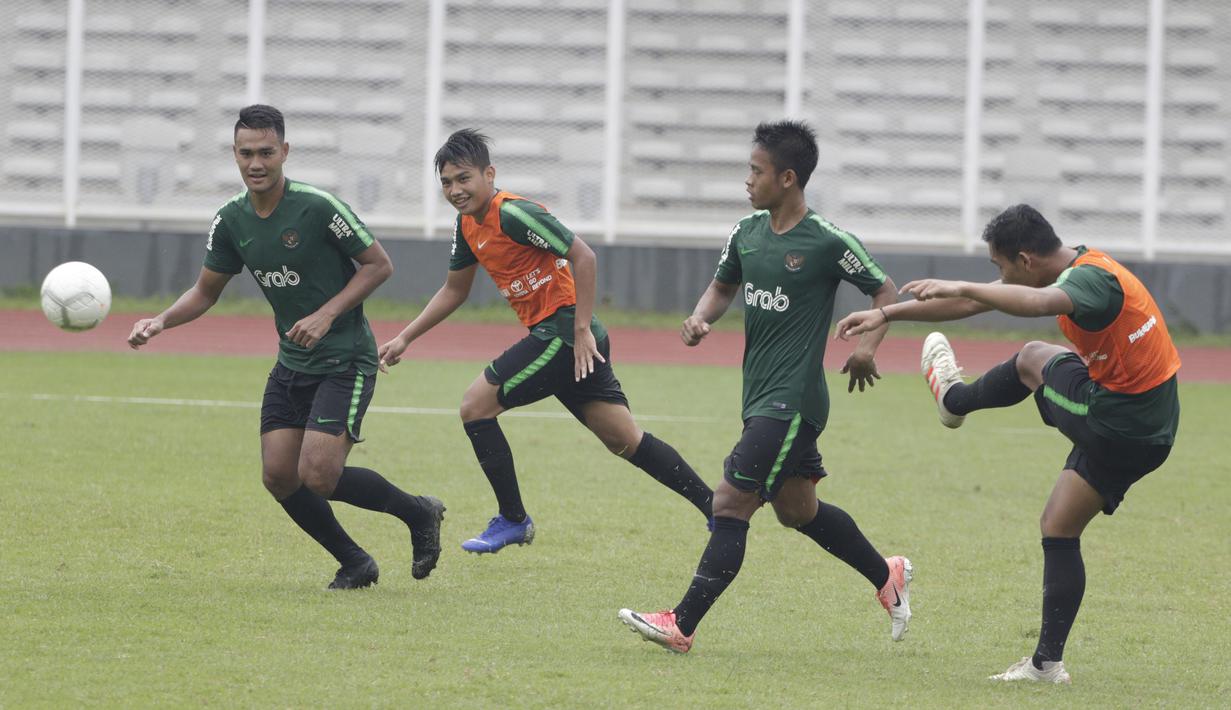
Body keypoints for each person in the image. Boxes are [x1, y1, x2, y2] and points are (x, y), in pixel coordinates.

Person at [836, 204, 1181, 683]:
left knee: (1033, 357)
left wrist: (961, 284)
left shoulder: (1091, 281)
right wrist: (886, 314)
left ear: (1026, 260)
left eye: (1000, 268)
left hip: (1119, 422)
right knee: (1058, 526)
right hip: (1147, 426)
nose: (997, 278)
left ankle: (954, 400)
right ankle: (1046, 665)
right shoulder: (1077, 267)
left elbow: (1036, 304)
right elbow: (974, 304)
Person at [618, 120, 912, 654]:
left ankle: (680, 624)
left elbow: (885, 290)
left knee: (730, 503)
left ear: (788, 178)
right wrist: (700, 318)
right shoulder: (746, 232)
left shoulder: (827, 241)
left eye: (756, 171)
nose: (747, 180)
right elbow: (722, 285)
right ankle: (885, 574)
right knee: (798, 510)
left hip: (794, 401)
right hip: (759, 397)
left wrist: (867, 346)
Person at [128, 104, 445, 590]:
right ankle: (355, 562)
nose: (256, 163)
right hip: (292, 361)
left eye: (266, 153)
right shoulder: (231, 220)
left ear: (285, 152)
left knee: (317, 474)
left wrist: (326, 314)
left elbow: (379, 265)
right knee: (279, 475)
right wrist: (161, 321)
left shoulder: (317, 207)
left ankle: (418, 512)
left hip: (345, 359)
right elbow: (205, 292)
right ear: (235, 155)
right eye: (246, 153)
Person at [378, 128, 713, 554]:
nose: (455, 190)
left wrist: (580, 329)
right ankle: (715, 507)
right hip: (563, 338)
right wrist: (405, 337)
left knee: (474, 407)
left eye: (464, 178)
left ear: (489, 174)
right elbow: (454, 290)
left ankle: (514, 519)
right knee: (624, 439)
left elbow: (583, 256)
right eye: (446, 182)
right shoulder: (466, 225)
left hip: (564, 333)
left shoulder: (514, 213)